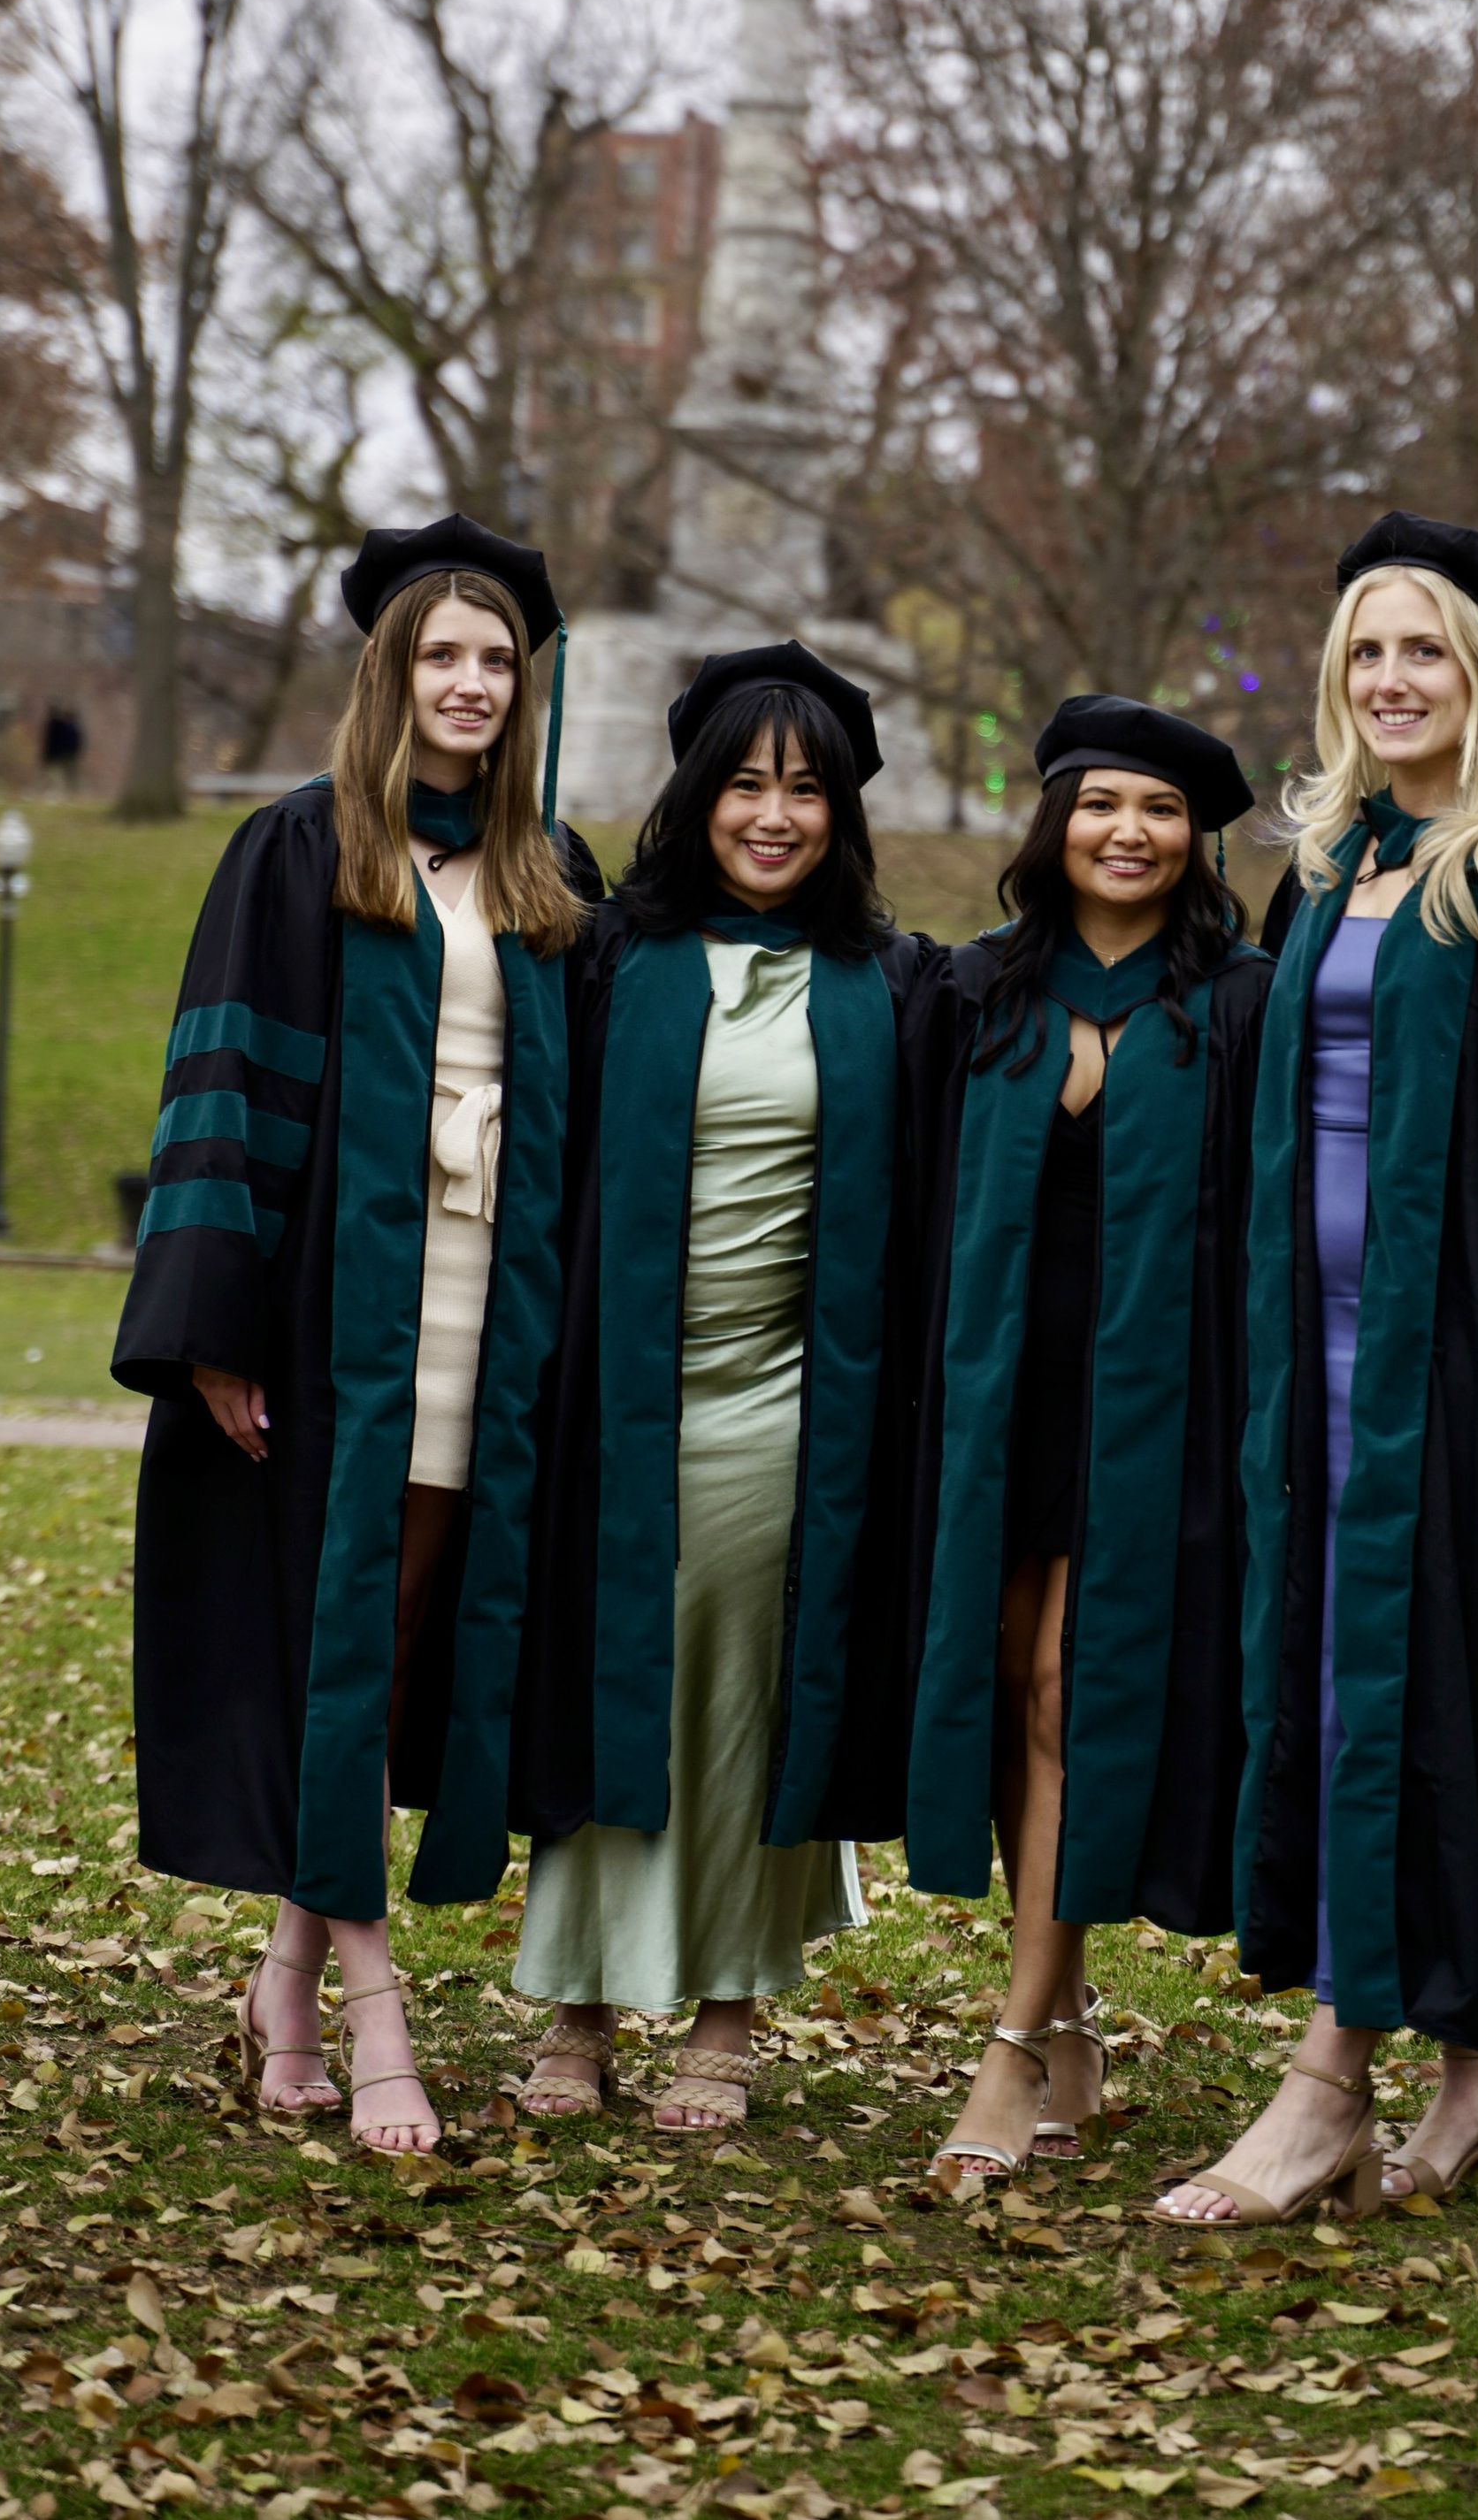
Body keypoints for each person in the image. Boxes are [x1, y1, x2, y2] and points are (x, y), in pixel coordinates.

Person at [1163, 511, 1478, 2227]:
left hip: (1453, 1382)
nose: (1386, 679)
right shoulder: (1332, 866)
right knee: (1346, 1708)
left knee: (1439, 1717)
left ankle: (1323, 2093)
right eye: (1363, 650)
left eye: (1421, 648)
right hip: (1318, 1380)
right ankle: (1477, 2077)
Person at [113, 512, 599, 2155]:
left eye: (496, 660)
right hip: (336, 1312)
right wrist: (214, 1327)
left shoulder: (554, 873)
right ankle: (373, 2004)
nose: (471, 683)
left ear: (528, 685)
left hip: (491, 1309)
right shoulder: (298, 847)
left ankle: (284, 1974)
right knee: (335, 1635)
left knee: (393, 1646)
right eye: (440, 657)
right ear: (389, 676)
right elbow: (224, 1090)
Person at [507, 642, 925, 2131]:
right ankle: (579, 1998)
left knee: (747, 1686)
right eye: (745, 781)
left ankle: (730, 2011)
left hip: (789, 1404)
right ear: (694, 795)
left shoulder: (893, 983)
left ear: (842, 812)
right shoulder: (610, 958)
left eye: (806, 789)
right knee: (612, 1679)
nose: (774, 813)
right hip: (618, 1396)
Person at [902, 699, 1271, 2178]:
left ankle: (1007, 2049)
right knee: (1004, 1684)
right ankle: (1066, 2017)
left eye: (1163, 811)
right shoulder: (973, 990)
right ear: (1053, 821)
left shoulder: (1240, 1002)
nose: (1130, 831)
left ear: (1197, 841)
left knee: (1069, 1687)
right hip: (998, 1397)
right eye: (1101, 802)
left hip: (1156, 1410)